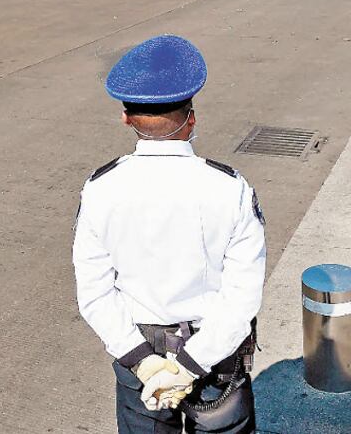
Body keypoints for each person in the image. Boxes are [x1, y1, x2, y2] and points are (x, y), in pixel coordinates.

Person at [73, 35, 266, 434]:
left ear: (126, 118)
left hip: (138, 353)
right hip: (215, 357)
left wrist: (143, 361)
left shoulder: (100, 189)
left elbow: (94, 292)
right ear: (191, 118)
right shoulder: (230, 188)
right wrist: (192, 364)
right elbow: (242, 295)